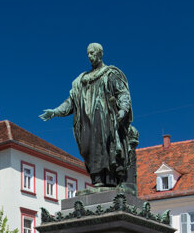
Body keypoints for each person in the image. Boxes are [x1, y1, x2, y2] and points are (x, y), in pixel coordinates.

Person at [40, 43, 137, 189]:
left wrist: (123, 110)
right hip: (86, 121)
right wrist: (55, 112)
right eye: (88, 54)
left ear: (100, 54)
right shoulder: (81, 80)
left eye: (92, 53)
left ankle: (109, 180)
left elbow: (122, 93)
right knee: (88, 148)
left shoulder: (110, 73)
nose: (90, 57)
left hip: (105, 120)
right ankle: (96, 178)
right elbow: (71, 102)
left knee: (105, 148)